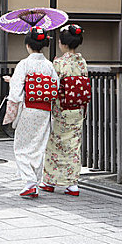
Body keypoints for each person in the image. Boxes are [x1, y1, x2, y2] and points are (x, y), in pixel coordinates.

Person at [3, 26, 59, 198]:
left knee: (21, 146)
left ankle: (29, 182)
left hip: (28, 110)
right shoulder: (49, 65)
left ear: (28, 45)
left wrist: (12, 83)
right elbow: (55, 87)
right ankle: (35, 179)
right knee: (39, 146)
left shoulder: (24, 64)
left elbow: (16, 92)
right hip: (44, 112)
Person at [40, 24, 87, 196]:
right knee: (73, 145)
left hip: (62, 109)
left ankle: (50, 181)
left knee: (55, 144)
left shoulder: (59, 62)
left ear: (62, 43)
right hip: (77, 108)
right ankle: (72, 184)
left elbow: (54, 87)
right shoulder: (82, 62)